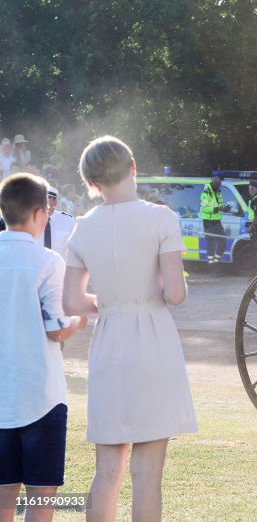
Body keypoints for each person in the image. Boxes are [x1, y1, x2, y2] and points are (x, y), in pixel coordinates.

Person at [62, 135, 197, 522]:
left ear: (91, 182)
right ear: (133, 168)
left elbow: (72, 303)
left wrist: (107, 303)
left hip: (109, 343)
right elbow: (175, 294)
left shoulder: (83, 228)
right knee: (147, 475)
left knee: (106, 472)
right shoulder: (160, 218)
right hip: (153, 342)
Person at [0, 173, 88, 522]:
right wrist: (80, 319)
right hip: (41, 396)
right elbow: (58, 329)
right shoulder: (49, 261)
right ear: (39, 213)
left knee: (4, 493)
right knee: (40, 495)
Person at [34, 185, 76, 259]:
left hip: (60, 268)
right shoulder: (29, 222)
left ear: (55, 202)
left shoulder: (68, 221)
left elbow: (75, 249)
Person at [200, 174, 229, 262]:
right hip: (208, 222)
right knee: (211, 244)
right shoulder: (206, 193)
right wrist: (218, 208)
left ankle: (216, 261)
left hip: (217, 221)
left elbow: (219, 205)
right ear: (213, 182)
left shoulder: (218, 192)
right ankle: (211, 265)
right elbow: (204, 208)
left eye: (220, 183)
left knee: (222, 243)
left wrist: (225, 208)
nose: (219, 185)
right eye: (218, 183)